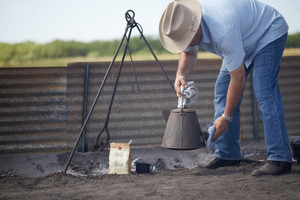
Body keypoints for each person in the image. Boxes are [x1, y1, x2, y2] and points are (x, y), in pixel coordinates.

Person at [159, 0, 293, 176]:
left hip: (267, 32)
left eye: (186, 39)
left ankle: (280, 158)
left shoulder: (223, 32)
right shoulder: (187, 23)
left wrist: (226, 118)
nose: (185, 44)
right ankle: (227, 153)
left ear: (196, 27)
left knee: (264, 91)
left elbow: (238, 78)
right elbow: (189, 53)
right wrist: (180, 74)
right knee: (222, 89)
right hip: (242, 39)